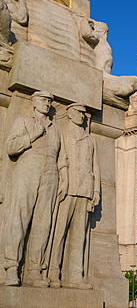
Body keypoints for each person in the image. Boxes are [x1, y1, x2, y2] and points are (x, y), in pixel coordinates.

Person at [4, 91, 68, 287]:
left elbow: (62, 156)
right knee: (19, 218)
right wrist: (34, 134)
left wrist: (64, 176)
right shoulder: (23, 121)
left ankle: (34, 270)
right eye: (43, 100)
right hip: (27, 167)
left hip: (51, 174)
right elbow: (11, 147)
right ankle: (12, 267)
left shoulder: (56, 129)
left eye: (49, 101)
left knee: (43, 223)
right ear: (34, 102)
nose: (47, 103)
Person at [48, 103, 100, 289]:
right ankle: (53, 272)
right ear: (69, 114)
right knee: (59, 232)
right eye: (78, 112)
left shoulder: (90, 139)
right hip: (68, 188)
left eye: (84, 113)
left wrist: (96, 191)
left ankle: (75, 276)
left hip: (85, 190)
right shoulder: (61, 132)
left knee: (79, 237)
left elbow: (95, 167)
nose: (82, 116)